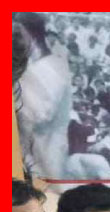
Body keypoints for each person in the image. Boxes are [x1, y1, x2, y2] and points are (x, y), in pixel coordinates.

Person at [13, 12, 73, 180]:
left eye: (17, 34)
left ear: (30, 34)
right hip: (33, 153)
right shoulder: (35, 66)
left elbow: (38, 117)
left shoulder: (49, 68)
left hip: (45, 157)